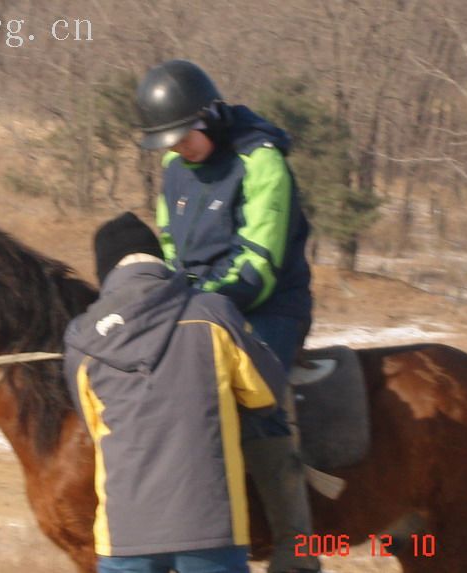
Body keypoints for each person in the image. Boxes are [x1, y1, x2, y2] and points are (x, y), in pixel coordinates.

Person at [135, 60, 320, 573]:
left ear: (210, 114)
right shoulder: (174, 173)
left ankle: (295, 549)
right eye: (168, 142)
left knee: (251, 396)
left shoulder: (263, 162)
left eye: (183, 136)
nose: (177, 148)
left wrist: (198, 307)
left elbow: (257, 266)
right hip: (200, 308)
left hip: (269, 308)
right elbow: (173, 251)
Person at [63, 212, 287, 573]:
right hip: (211, 529)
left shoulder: (81, 338)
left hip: (124, 534)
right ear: (161, 262)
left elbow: (95, 427)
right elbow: (266, 394)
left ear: (106, 273)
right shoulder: (213, 314)